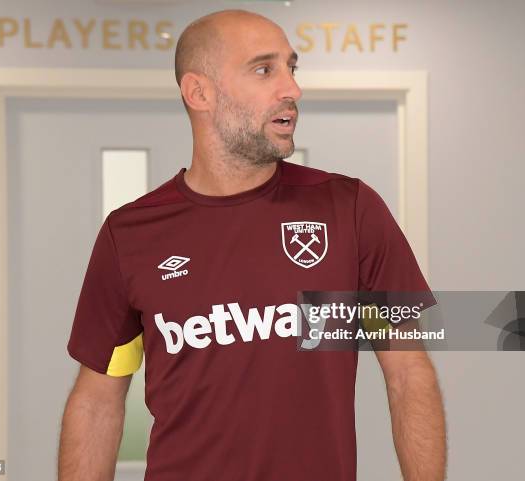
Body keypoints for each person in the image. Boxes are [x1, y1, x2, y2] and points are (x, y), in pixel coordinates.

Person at [58, 9, 446, 481]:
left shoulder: (350, 209)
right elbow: (98, 400)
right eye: (265, 70)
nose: (292, 89)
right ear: (199, 92)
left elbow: (407, 371)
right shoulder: (129, 234)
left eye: (291, 68)